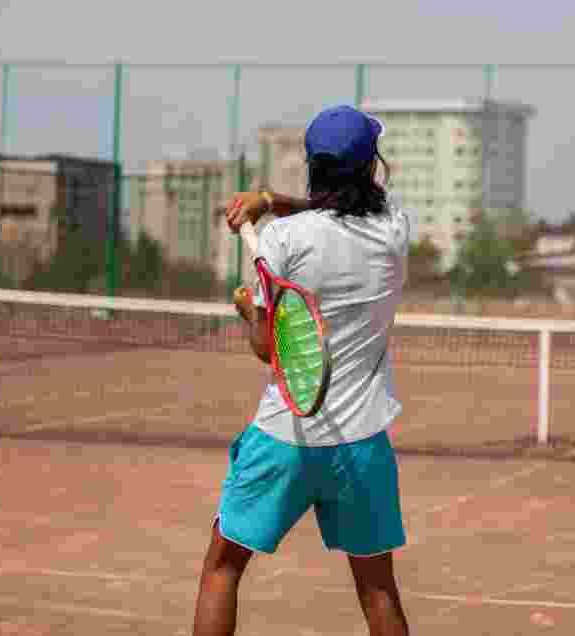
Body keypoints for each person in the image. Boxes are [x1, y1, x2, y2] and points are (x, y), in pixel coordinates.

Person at [193, 105, 411, 636]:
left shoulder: (281, 243)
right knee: (378, 586)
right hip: (362, 443)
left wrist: (249, 312)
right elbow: (337, 213)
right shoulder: (395, 230)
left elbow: (268, 349)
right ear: (369, 166)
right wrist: (270, 204)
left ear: (315, 168)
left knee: (222, 568)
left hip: (284, 436)